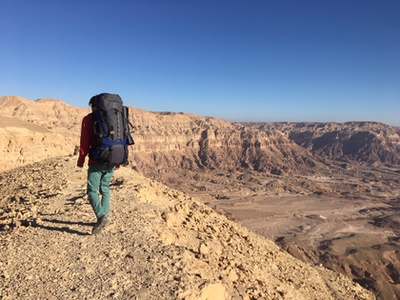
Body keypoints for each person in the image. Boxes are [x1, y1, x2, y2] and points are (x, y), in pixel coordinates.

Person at [77, 100, 116, 235]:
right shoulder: (116, 117)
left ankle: (101, 216)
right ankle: (105, 216)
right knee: (105, 188)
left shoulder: (89, 119)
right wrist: (119, 161)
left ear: (93, 106)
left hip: (96, 161)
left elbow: (85, 142)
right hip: (112, 159)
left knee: (92, 191)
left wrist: (81, 160)